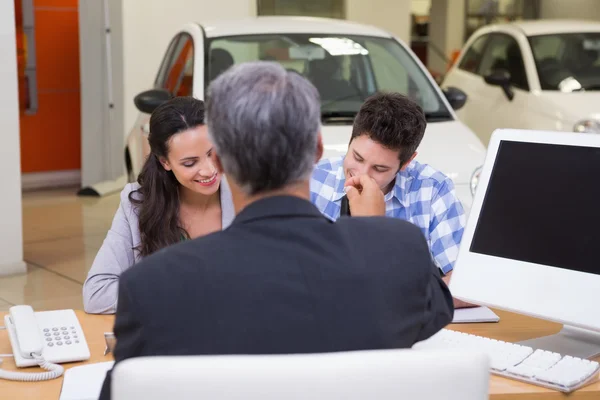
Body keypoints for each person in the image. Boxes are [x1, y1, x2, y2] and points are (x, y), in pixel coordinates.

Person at [98, 62, 453, 400]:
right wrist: (374, 231)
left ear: (219, 160)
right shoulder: (401, 251)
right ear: (317, 149)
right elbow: (430, 310)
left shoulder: (150, 285)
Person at [310, 92, 471, 308]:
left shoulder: (432, 189)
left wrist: (398, 305)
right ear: (350, 140)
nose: (362, 174)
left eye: (380, 168)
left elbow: (469, 285)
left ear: (407, 162)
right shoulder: (311, 181)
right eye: (357, 157)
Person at [83, 97, 235, 314]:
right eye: (190, 163)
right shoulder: (138, 203)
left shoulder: (251, 193)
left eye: (213, 153)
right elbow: (97, 294)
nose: (209, 170)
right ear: (165, 162)